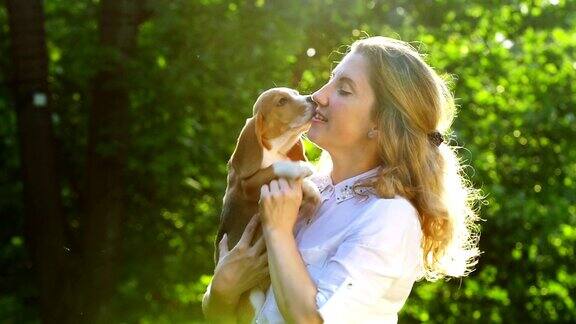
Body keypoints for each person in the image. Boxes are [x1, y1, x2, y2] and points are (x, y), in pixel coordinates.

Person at [202, 36, 481, 323]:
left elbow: (314, 320)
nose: (319, 95)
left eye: (343, 90)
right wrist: (222, 292)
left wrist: (279, 233)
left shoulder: (388, 216)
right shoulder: (308, 190)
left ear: (380, 123)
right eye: (330, 80)